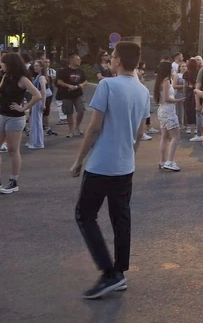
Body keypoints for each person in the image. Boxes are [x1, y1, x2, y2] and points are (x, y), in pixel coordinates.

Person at [70, 42, 150, 299]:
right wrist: (129, 153)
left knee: (85, 214)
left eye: (113, 57)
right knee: (121, 218)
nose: (110, 61)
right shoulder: (142, 91)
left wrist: (79, 159)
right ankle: (120, 271)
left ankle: (108, 273)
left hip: (102, 164)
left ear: (119, 61)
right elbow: (140, 131)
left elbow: (94, 128)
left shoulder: (107, 85)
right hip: (125, 165)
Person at [0, 52, 43, 194]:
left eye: (3, 63)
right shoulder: (6, 76)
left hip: (15, 117)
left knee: (13, 150)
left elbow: (37, 95)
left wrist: (24, 108)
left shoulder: (22, 79)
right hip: (2, 114)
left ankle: (13, 181)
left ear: (10, 64)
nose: (1, 65)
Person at [154, 61, 184, 172]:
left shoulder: (160, 81)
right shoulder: (166, 81)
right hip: (168, 111)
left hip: (162, 110)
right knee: (176, 136)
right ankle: (170, 161)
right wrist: (178, 100)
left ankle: (163, 161)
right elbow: (167, 98)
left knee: (165, 136)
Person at [57, 53, 89, 138]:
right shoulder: (64, 71)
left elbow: (85, 81)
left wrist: (82, 84)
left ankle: (77, 127)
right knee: (69, 112)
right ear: (71, 60)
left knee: (81, 110)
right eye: (77, 59)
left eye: (79, 59)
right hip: (66, 95)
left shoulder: (80, 71)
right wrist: (68, 86)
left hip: (78, 94)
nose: (79, 61)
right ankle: (71, 130)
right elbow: (59, 81)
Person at [26, 60, 49, 150]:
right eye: (34, 66)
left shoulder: (41, 78)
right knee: (34, 120)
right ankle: (34, 141)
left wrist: (43, 104)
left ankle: (37, 142)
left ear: (41, 67)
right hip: (36, 100)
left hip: (38, 101)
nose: (35, 67)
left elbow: (43, 91)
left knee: (37, 121)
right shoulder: (39, 77)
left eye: (37, 66)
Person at [182, 58, 199, 135]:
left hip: (189, 92)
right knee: (196, 109)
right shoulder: (198, 72)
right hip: (196, 92)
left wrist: (184, 93)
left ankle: (189, 126)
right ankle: (195, 127)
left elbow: (185, 85)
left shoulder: (186, 73)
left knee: (188, 109)